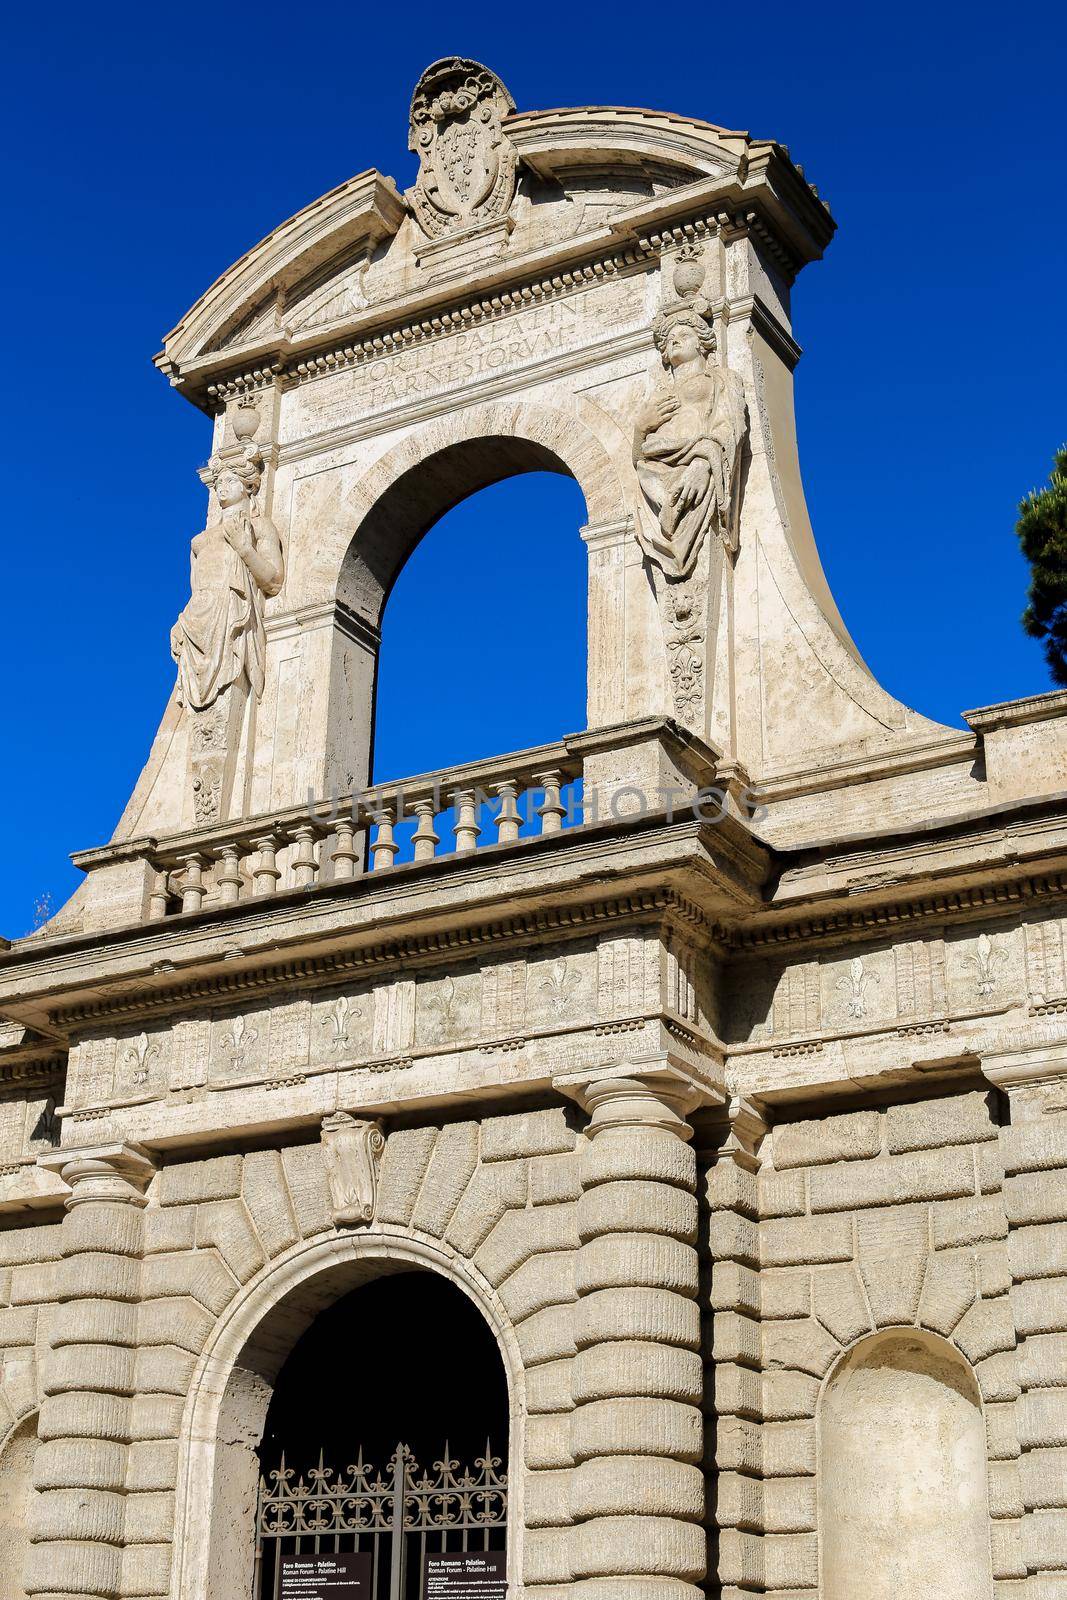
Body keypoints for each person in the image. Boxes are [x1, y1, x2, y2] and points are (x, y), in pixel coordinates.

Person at [633, 308, 746, 581]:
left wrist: (704, 463)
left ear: (701, 342)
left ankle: (676, 512)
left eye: (683, 334)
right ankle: (667, 508)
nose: (674, 340)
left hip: (699, 462)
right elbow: (638, 458)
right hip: (657, 464)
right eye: (669, 337)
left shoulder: (721, 379)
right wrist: (641, 427)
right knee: (647, 472)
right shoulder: (656, 395)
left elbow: (731, 427)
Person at [171, 447, 284, 712]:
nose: (222, 486)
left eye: (230, 480)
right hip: (199, 620)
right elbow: (197, 589)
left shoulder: (259, 527)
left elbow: (274, 581)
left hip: (232, 616)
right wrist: (183, 620)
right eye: (219, 481)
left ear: (248, 486)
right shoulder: (199, 541)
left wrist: (245, 549)